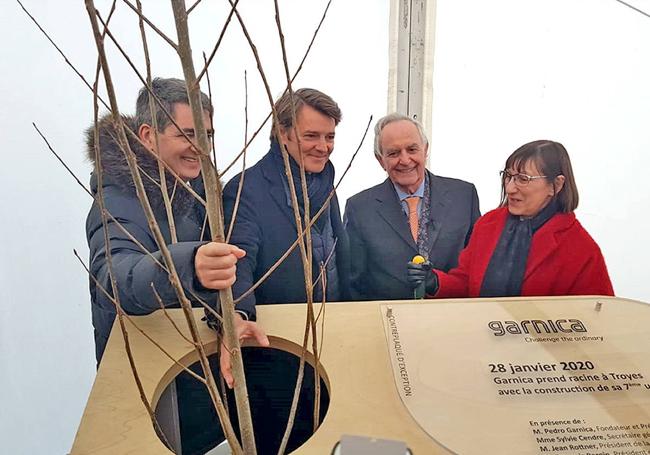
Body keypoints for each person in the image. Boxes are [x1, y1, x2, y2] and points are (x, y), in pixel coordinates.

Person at [85, 77, 267, 364]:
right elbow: (112, 279)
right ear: (147, 136)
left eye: (207, 135)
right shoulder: (118, 198)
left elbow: (225, 272)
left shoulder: (201, 190)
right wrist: (187, 266)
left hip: (201, 363)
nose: (201, 147)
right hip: (147, 371)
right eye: (187, 134)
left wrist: (234, 317)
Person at [407, 140, 614, 297]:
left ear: (556, 185)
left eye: (523, 179)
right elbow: (466, 283)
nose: (510, 188)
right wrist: (434, 281)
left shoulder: (581, 249)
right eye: (508, 176)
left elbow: (597, 320)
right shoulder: (489, 224)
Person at [223, 87, 350, 319]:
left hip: (333, 328)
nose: (323, 147)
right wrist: (239, 316)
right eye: (311, 136)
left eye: (329, 137)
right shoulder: (246, 189)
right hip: (276, 337)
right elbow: (239, 261)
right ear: (283, 133)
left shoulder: (326, 184)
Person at [344, 113, 480, 300]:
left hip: (452, 317)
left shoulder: (464, 196)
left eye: (412, 149)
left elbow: (477, 268)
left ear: (425, 150)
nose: (405, 160)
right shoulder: (359, 208)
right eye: (393, 153)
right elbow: (355, 283)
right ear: (380, 159)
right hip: (388, 321)